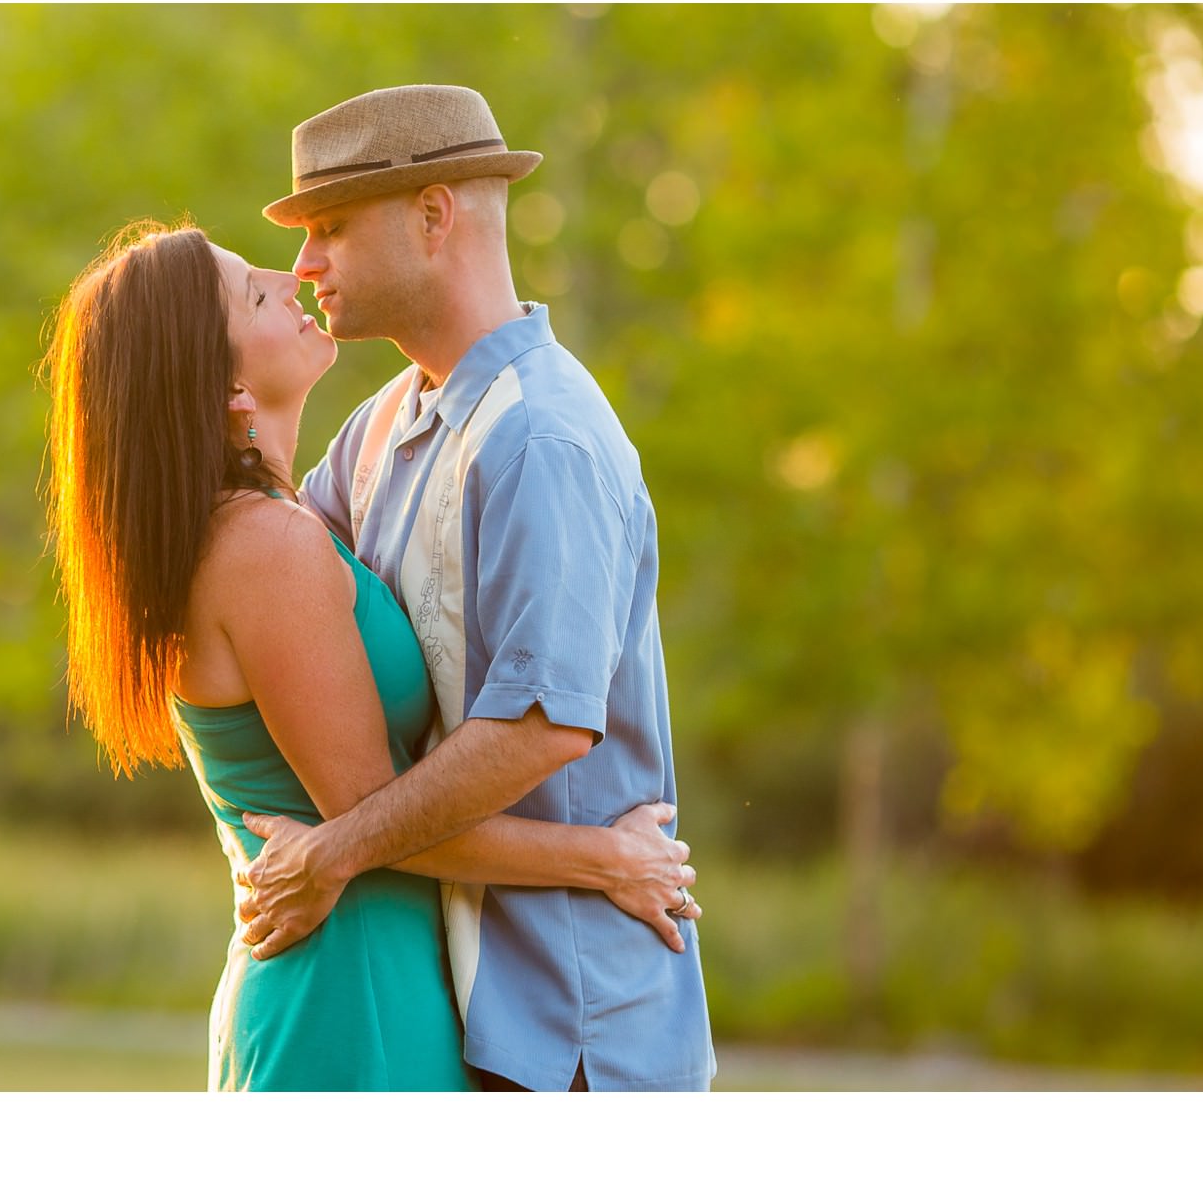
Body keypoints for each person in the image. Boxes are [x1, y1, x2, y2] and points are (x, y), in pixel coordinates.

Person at [41, 219, 699, 1091]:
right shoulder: (265, 548)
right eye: (253, 290)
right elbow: (375, 817)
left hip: (367, 974)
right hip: (349, 996)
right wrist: (603, 859)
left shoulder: (296, 510)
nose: (292, 275)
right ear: (228, 387)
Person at [237, 84, 716, 1091]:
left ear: (431, 216)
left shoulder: (540, 436)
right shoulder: (381, 425)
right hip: (455, 1012)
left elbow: (540, 730)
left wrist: (333, 852)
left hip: (572, 1033)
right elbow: (280, 579)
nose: (303, 264)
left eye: (329, 228)